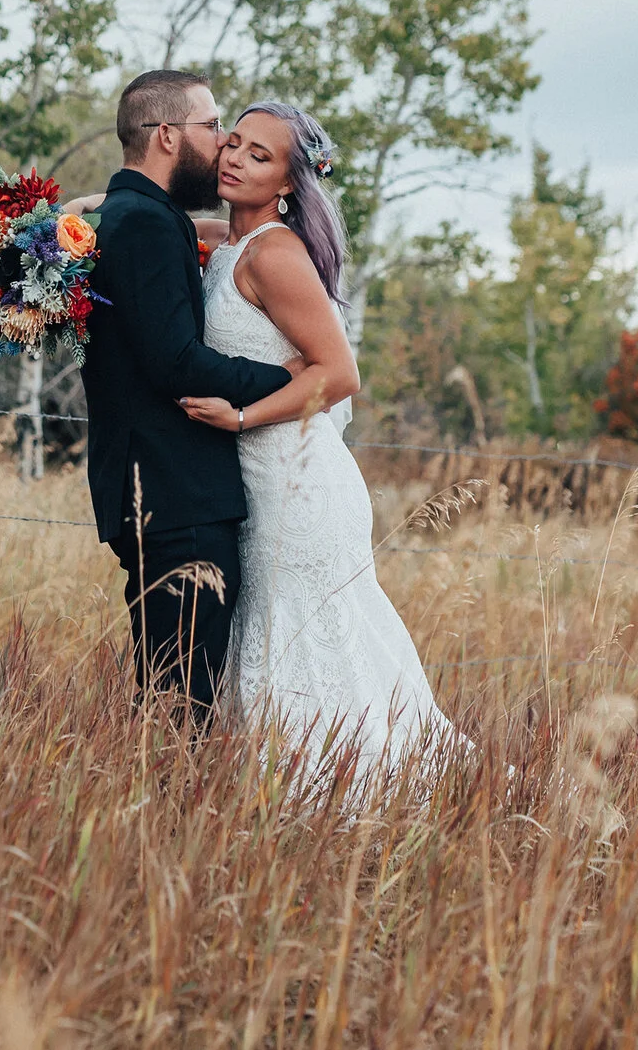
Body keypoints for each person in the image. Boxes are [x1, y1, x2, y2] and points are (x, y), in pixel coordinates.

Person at [177, 100, 462, 784]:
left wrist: (242, 417)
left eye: (259, 155)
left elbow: (340, 373)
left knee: (303, 644)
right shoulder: (238, 242)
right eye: (234, 142)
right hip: (260, 482)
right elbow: (188, 228)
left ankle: (339, 793)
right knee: (282, 641)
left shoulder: (275, 254)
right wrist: (97, 208)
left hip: (294, 485)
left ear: (287, 185)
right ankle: (299, 792)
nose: (235, 157)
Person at [77, 70, 295, 727]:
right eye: (212, 125)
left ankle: (159, 819)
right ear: (168, 135)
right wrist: (287, 379)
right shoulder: (142, 223)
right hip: (176, 498)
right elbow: (175, 360)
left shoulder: (139, 214)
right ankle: (168, 823)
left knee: (172, 698)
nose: (223, 140)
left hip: (159, 494)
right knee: (183, 709)